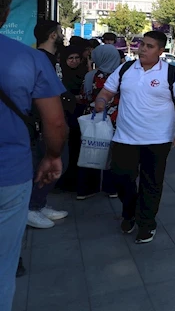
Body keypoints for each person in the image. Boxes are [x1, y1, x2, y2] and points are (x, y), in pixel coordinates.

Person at [0, 0, 67, 309]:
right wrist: (53, 156)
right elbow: (54, 122)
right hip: (9, 175)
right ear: (6, 13)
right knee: (3, 265)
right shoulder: (30, 59)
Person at [94, 31, 175, 244]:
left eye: (149, 46)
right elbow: (108, 91)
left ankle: (146, 223)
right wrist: (101, 100)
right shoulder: (126, 68)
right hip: (125, 137)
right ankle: (129, 212)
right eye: (142, 45)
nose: (143, 49)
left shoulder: (171, 73)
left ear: (160, 51)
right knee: (120, 177)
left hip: (158, 139)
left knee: (151, 183)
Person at [27, 20, 72, 229]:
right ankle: (31, 207)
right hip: (43, 124)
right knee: (49, 162)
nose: (63, 35)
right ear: (53, 35)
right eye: (60, 32)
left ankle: (39, 203)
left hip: (53, 121)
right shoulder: (40, 59)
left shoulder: (53, 59)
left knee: (57, 161)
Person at [77, 44, 122, 200]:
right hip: (115, 120)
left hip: (94, 119)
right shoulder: (121, 76)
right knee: (113, 155)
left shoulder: (90, 76)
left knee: (92, 149)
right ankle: (111, 188)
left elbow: (85, 97)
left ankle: (86, 189)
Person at [55, 46, 87, 193]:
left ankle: (75, 181)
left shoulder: (84, 74)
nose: (74, 61)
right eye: (70, 58)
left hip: (80, 117)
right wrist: (73, 99)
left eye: (77, 58)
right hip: (66, 116)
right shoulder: (60, 76)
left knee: (77, 149)